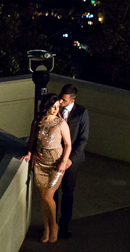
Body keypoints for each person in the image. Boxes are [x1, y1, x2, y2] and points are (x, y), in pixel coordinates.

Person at [22, 93, 72, 243]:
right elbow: (31, 139)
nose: (56, 109)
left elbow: (68, 144)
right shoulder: (37, 121)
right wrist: (29, 153)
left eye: (58, 106)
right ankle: (47, 228)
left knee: (47, 196)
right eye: (53, 106)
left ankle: (54, 226)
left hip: (56, 165)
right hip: (40, 163)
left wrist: (63, 162)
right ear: (46, 106)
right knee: (43, 198)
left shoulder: (61, 123)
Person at [55, 83, 89, 239]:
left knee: (67, 192)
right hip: (55, 158)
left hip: (71, 161)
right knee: (53, 192)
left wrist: (70, 159)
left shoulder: (81, 113)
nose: (60, 102)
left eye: (63, 100)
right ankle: (52, 224)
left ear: (72, 101)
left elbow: (83, 139)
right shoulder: (55, 109)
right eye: (60, 98)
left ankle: (64, 226)